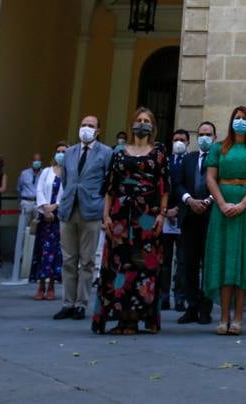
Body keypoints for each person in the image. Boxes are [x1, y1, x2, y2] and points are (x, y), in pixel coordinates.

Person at [94, 108, 168, 334]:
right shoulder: (119, 153)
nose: (142, 124)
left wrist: (161, 215)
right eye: (139, 120)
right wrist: (105, 215)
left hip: (146, 216)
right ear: (132, 124)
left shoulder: (158, 153)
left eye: (147, 121)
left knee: (143, 266)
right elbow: (109, 188)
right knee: (118, 266)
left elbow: (164, 188)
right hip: (119, 216)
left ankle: (135, 318)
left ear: (152, 126)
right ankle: (120, 317)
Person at [204, 106, 246, 335]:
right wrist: (221, 203)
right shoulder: (217, 148)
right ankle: (223, 317)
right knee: (224, 258)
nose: (240, 121)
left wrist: (243, 204)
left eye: (244, 118)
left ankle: (239, 318)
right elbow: (211, 178)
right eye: (236, 118)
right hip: (221, 208)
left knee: (244, 258)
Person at [53, 114, 111, 321]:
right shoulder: (69, 152)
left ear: (98, 130)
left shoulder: (106, 153)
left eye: (91, 126)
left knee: (87, 261)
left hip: (92, 210)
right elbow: (67, 181)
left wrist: (105, 211)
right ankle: (67, 303)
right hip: (69, 209)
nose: (86, 128)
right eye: (83, 125)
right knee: (68, 259)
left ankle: (81, 304)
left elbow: (108, 183)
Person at [175, 121, 217, 325]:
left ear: (215, 138)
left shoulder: (219, 158)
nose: (204, 138)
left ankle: (205, 309)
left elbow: (220, 183)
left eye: (208, 134)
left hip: (210, 218)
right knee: (188, 264)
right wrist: (189, 200)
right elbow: (179, 183)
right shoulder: (188, 159)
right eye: (201, 134)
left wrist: (207, 201)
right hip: (189, 217)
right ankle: (191, 306)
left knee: (208, 264)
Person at [31, 143, 67, 301]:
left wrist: (55, 207)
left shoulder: (70, 173)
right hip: (44, 217)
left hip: (59, 218)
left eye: (64, 152)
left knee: (56, 252)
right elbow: (39, 190)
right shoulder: (46, 171)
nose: (61, 154)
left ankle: (51, 285)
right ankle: (40, 285)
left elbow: (68, 193)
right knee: (42, 251)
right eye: (58, 151)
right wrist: (45, 208)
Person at [161, 129, 189, 311]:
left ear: (187, 142)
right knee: (164, 260)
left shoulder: (191, 161)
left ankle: (180, 297)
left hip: (183, 215)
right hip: (165, 215)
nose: (179, 142)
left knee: (182, 260)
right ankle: (163, 297)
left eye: (182, 139)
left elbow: (190, 187)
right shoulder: (165, 161)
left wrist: (178, 209)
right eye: (176, 139)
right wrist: (165, 210)